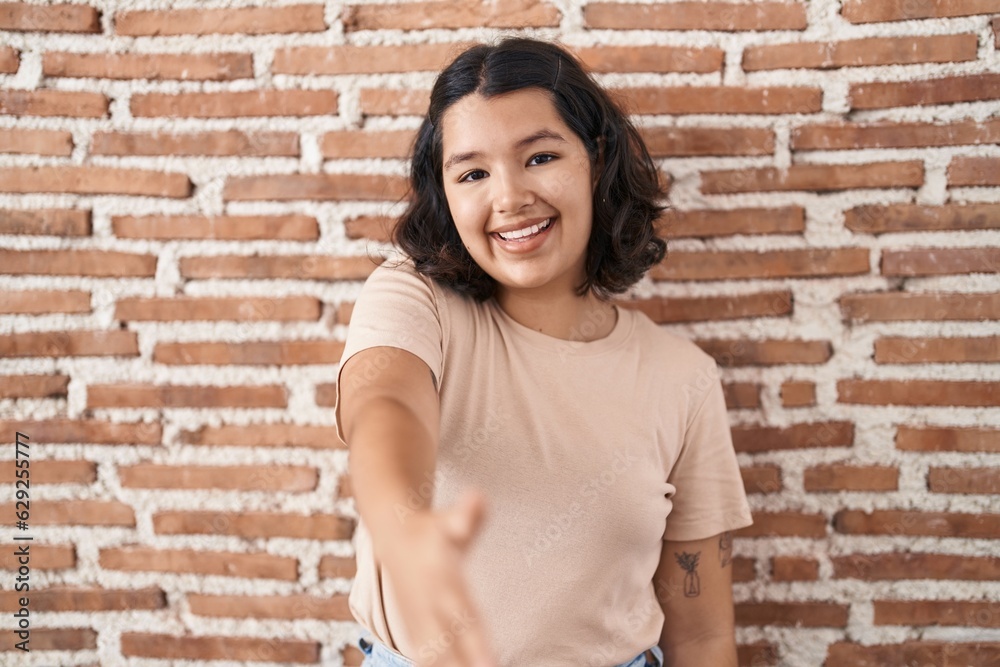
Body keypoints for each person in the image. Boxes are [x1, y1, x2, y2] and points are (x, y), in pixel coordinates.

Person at [334, 36, 753, 667]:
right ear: (444, 193)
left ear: (597, 157)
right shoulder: (415, 299)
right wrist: (403, 527)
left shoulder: (682, 378)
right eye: (472, 173)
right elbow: (384, 405)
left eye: (539, 157)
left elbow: (701, 635)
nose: (509, 197)